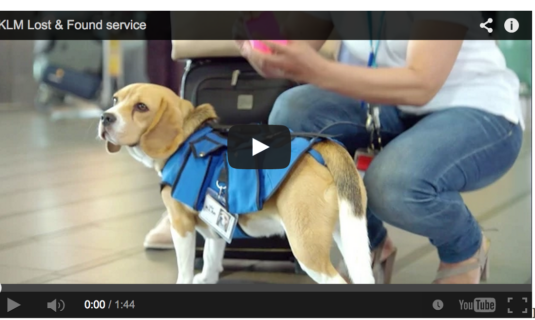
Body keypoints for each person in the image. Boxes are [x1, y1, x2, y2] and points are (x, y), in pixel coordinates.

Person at [144, 12, 524, 284]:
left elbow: (421, 83)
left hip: (475, 109)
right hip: (385, 104)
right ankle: (369, 242)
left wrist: (316, 69)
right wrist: (264, 40)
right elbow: (291, 46)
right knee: (293, 113)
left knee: (391, 184)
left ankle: (464, 248)